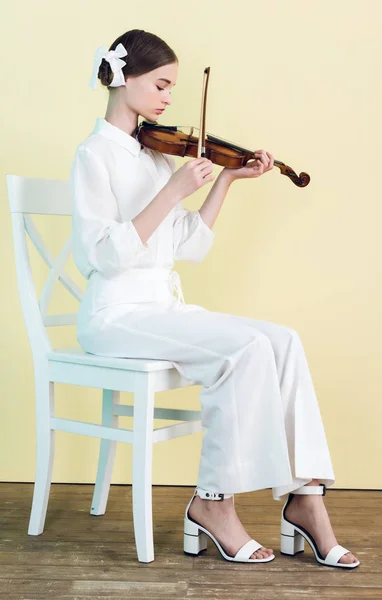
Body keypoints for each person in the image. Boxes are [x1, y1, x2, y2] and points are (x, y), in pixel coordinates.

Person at [70, 28, 359, 567]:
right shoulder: (93, 156)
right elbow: (103, 257)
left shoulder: (154, 155)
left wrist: (224, 181)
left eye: (172, 88)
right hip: (116, 313)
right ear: (124, 79)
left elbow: (189, 245)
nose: (167, 98)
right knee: (245, 349)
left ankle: (307, 495)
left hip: (162, 307)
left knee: (283, 341)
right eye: (160, 85)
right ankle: (213, 502)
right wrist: (174, 190)